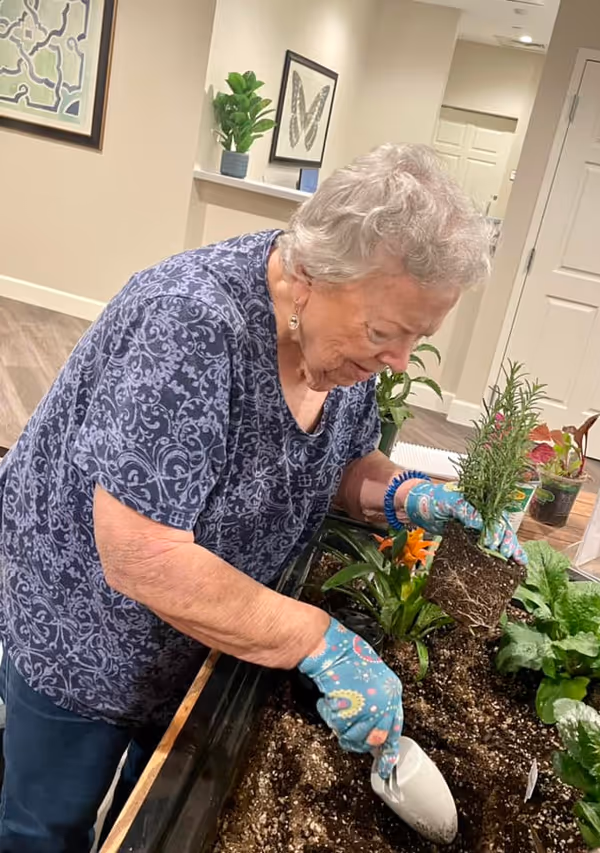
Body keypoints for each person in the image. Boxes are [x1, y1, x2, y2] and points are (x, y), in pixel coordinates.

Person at [0, 143, 526, 852]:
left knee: (142, 818)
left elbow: (338, 461)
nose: (398, 361)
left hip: (203, 633)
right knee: (47, 823)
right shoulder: (191, 323)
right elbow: (140, 555)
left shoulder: (342, 339)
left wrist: (405, 494)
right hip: (85, 630)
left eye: (416, 339)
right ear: (308, 274)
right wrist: (318, 640)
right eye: (384, 334)